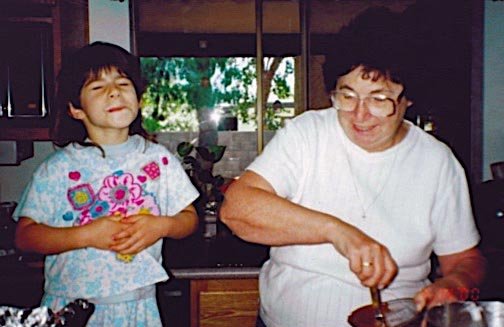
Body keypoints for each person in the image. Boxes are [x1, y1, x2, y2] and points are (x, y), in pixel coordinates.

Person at [220, 60, 486, 326]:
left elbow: (465, 259)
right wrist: (338, 232)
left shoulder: (436, 161)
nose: (360, 114)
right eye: (348, 96)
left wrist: (456, 284)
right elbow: (236, 209)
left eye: (379, 99)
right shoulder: (308, 134)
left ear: (408, 100)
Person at [13, 42, 199, 326]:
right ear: (76, 109)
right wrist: (86, 235)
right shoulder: (57, 169)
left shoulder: (159, 160)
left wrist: (162, 226)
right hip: (69, 311)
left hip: (139, 307)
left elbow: (189, 219)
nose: (114, 91)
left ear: (139, 99)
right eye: (98, 87)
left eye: (123, 83)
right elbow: (25, 237)